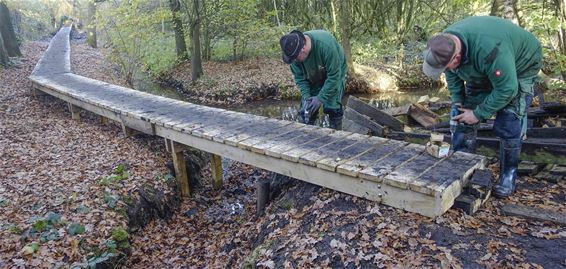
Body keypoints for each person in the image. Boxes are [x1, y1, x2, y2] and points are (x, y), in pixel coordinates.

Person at [422, 16, 542, 198]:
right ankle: (462, 164)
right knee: (460, 114)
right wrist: (458, 101)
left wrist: (478, 114)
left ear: (457, 57)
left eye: (446, 67)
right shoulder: (445, 44)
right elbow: (452, 76)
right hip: (483, 67)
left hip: (521, 65)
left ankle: (508, 176)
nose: (445, 71)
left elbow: (508, 89)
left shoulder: (490, 50)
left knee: (508, 121)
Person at [279, 29, 347, 130]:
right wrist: (307, 97)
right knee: (306, 110)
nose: (294, 61)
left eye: (295, 58)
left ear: (303, 49)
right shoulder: (294, 54)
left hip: (335, 71)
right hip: (313, 74)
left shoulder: (326, 46)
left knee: (332, 108)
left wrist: (320, 98)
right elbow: (300, 78)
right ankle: (307, 135)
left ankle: (336, 135)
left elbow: (334, 76)